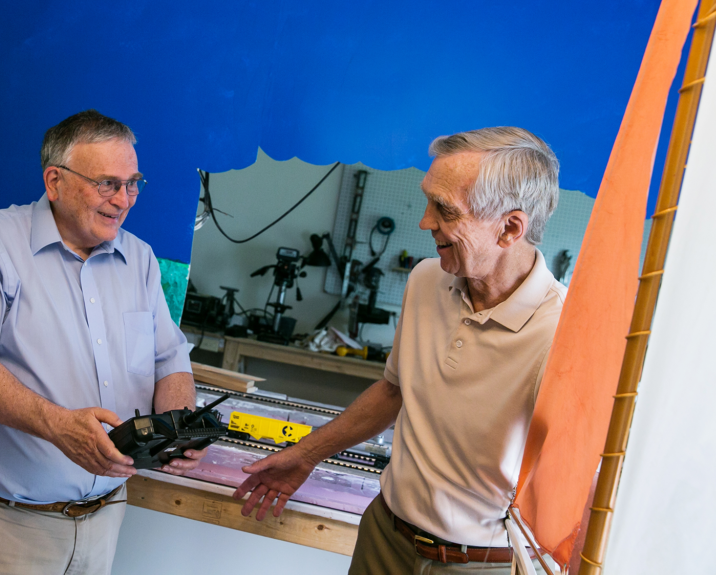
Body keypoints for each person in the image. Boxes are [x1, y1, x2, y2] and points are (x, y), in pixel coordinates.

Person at [235, 127, 566, 574]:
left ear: (509, 228)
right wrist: (307, 454)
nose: (425, 221)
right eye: (428, 201)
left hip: (478, 563)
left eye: (445, 209)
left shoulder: (562, 333)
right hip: (384, 536)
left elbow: (579, 478)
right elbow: (395, 392)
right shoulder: (427, 279)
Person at [0, 109, 199, 575]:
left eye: (133, 183)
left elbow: (169, 359)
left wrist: (179, 428)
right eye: (108, 183)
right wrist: (58, 426)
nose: (124, 199)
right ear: (55, 181)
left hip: (102, 522)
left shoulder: (141, 259)